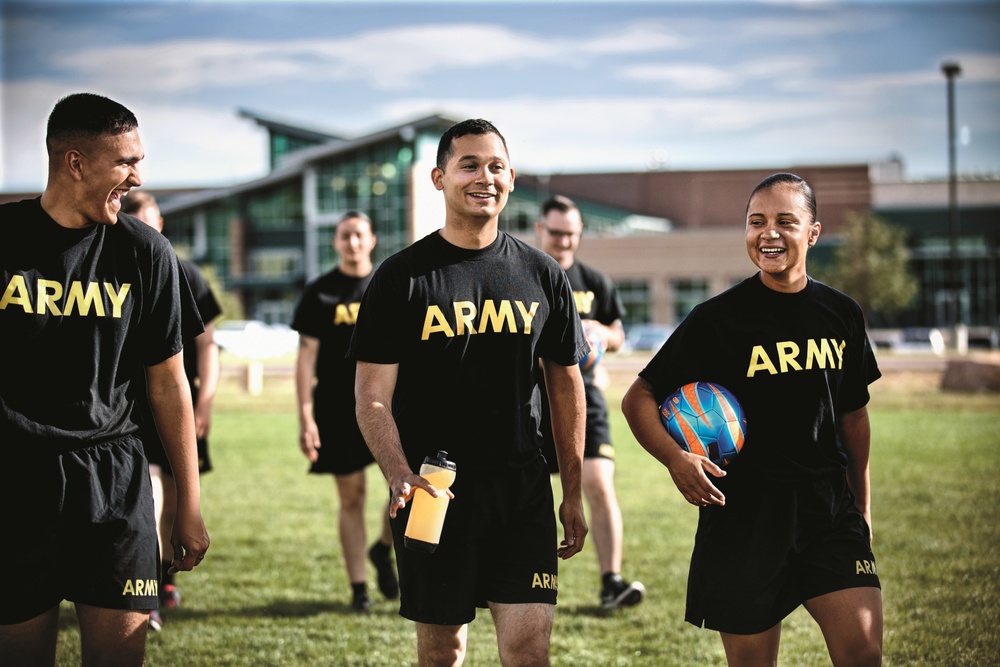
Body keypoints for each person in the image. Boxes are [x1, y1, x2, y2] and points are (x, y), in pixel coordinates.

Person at [350, 118, 589, 666]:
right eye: (469, 165)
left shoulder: (543, 274)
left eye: (496, 166)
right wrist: (397, 471)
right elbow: (372, 396)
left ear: (511, 177)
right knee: (442, 652)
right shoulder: (400, 278)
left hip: (522, 490)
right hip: (433, 491)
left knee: (529, 650)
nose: (485, 177)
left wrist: (570, 491)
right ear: (439, 178)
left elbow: (565, 387)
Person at [621, 173, 882, 666]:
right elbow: (639, 398)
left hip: (828, 512)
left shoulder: (841, 314)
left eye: (786, 221)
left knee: (863, 653)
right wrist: (676, 460)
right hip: (744, 519)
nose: (769, 233)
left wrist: (862, 508)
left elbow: (853, 418)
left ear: (813, 232)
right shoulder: (716, 320)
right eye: (756, 221)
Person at [0, 92, 210, 666]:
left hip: (114, 482)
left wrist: (186, 504)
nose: (137, 176)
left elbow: (169, 384)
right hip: (16, 481)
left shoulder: (145, 252)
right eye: (125, 162)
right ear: (75, 162)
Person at [535, 195, 645, 611]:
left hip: (587, 398)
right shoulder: (526, 274)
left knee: (598, 483)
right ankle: (529, 580)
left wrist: (600, 333)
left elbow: (619, 334)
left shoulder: (593, 281)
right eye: (557, 233)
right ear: (540, 230)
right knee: (532, 493)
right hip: (532, 401)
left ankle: (611, 581)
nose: (564, 241)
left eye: (572, 234)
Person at [122, 190, 222, 631]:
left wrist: (204, 401)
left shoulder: (185, 273)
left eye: (151, 217)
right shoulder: (113, 264)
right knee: (152, 488)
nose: (147, 225)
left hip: (175, 396)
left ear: (160, 220)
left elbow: (207, 343)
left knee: (177, 495)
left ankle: (163, 579)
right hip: (132, 403)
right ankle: (150, 581)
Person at [291, 211, 398, 614]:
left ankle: (384, 548)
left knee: (402, 490)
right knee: (351, 498)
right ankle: (359, 590)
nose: (352, 243)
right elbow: (305, 360)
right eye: (344, 236)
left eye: (359, 235)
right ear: (335, 242)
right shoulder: (320, 293)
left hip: (390, 406)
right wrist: (305, 417)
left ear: (371, 240)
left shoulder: (389, 284)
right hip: (337, 410)